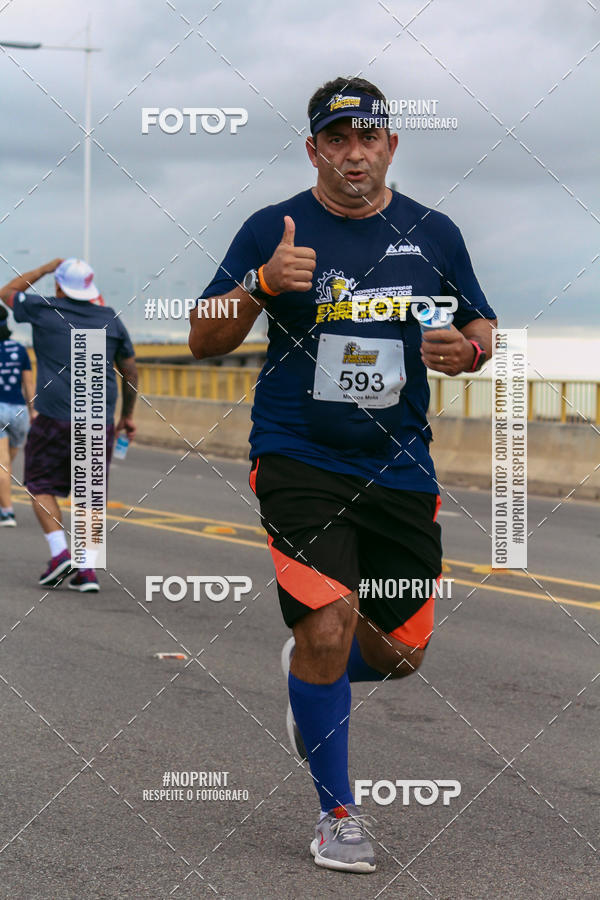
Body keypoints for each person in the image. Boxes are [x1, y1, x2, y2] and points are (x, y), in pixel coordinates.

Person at [190, 76, 497, 873]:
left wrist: (470, 350)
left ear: (391, 145)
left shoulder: (434, 232)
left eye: (367, 138)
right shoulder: (273, 228)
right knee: (327, 623)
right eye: (336, 139)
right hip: (298, 456)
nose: (353, 154)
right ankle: (336, 815)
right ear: (313, 150)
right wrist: (260, 285)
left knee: (399, 652)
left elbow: (480, 320)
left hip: (399, 465)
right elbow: (201, 337)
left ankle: (310, 675)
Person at [0, 257, 138, 591]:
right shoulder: (110, 319)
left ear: (60, 286)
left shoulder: (43, 309)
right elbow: (130, 372)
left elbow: (7, 292)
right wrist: (127, 415)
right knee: (90, 495)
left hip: (54, 418)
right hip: (98, 422)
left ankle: (60, 554)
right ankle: (87, 571)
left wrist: (45, 268)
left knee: (40, 484)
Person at [0, 304, 34, 526]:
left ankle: (7, 513)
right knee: (6, 463)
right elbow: (29, 385)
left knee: (3, 465)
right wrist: (34, 412)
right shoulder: (20, 349)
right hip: (19, 412)